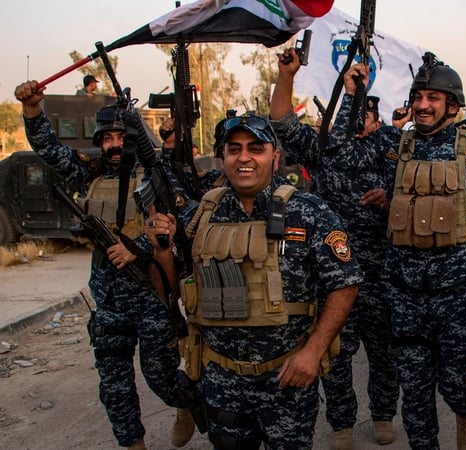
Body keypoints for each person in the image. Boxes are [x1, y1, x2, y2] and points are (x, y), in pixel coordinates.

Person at [331, 53, 466, 449]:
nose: (422, 105)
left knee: (459, 385)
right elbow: (342, 155)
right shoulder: (393, 146)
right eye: (418, 96)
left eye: (433, 97)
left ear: (453, 105)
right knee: (415, 397)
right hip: (405, 296)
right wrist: (352, 94)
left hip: (459, 297)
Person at [148, 112, 362, 450]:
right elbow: (171, 292)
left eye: (255, 148)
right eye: (234, 149)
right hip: (220, 379)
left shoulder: (309, 212)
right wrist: (161, 256)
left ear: (274, 158)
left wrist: (313, 351)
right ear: (223, 157)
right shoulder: (199, 217)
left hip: (286, 379)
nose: (244, 158)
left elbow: (345, 283)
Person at [14, 80, 195, 450]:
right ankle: (133, 444)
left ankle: (186, 404)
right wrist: (33, 110)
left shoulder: (156, 173)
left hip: (150, 295)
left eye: (119, 136)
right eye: (106, 138)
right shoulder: (90, 174)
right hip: (109, 299)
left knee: (160, 376)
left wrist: (139, 248)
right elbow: (50, 150)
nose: (113, 145)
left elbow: (183, 217)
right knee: (114, 384)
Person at [269, 48, 399, 450]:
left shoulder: (393, 148)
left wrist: (390, 198)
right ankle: (342, 422)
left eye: (367, 114)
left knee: (383, 353)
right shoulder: (325, 145)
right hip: (331, 274)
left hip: (379, 271)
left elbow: (418, 193)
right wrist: (287, 76)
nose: (361, 121)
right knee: (336, 355)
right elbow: (282, 122)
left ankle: (382, 415)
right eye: (354, 112)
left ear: (377, 119)